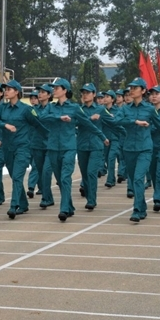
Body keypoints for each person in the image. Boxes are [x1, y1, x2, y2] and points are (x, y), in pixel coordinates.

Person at [39, 78, 107, 222]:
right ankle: (69, 206)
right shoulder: (51, 107)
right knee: (59, 179)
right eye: (53, 88)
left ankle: (63, 209)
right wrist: (59, 118)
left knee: (65, 178)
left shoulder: (75, 108)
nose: (54, 90)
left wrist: (102, 136)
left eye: (57, 88)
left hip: (69, 147)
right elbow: (42, 117)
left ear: (65, 90)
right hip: (52, 147)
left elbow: (87, 124)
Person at [116, 78, 160, 223]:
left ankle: (136, 210)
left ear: (143, 91)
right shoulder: (124, 108)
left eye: (135, 88)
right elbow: (116, 121)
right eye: (131, 88)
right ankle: (142, 208)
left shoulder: (149, 109)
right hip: (129, 148)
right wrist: (134, 122)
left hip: (145, 148)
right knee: (133, 178)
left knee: (138, 178)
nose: (132, 90)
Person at [0, 79, 47, 219]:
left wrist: (50, 140)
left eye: (9, 89)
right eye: (6, 89)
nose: (6, 92)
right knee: (14, 176)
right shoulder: (2, 108)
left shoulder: (27, 109)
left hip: (23, 148)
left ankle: (13, 205)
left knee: (17, 176)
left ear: (17, 92)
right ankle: (23, 204)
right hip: (7, 148)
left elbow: (39, 125)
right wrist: (5, 125)